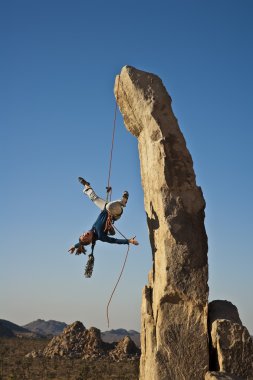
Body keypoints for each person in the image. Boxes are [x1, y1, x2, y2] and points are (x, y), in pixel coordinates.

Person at [68, 177, 139, 255]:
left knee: (93, 198)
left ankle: (86, 185)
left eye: (83, 235)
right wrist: (128, 241)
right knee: (109, 207)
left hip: (105, 208)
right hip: (115, 213)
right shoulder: (100, 236)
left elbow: (81, 242)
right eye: (85, 237)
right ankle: (123, 202)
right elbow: (114, 241)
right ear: (90, 240)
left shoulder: (92, 229)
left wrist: (74, 246)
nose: (84, 234)